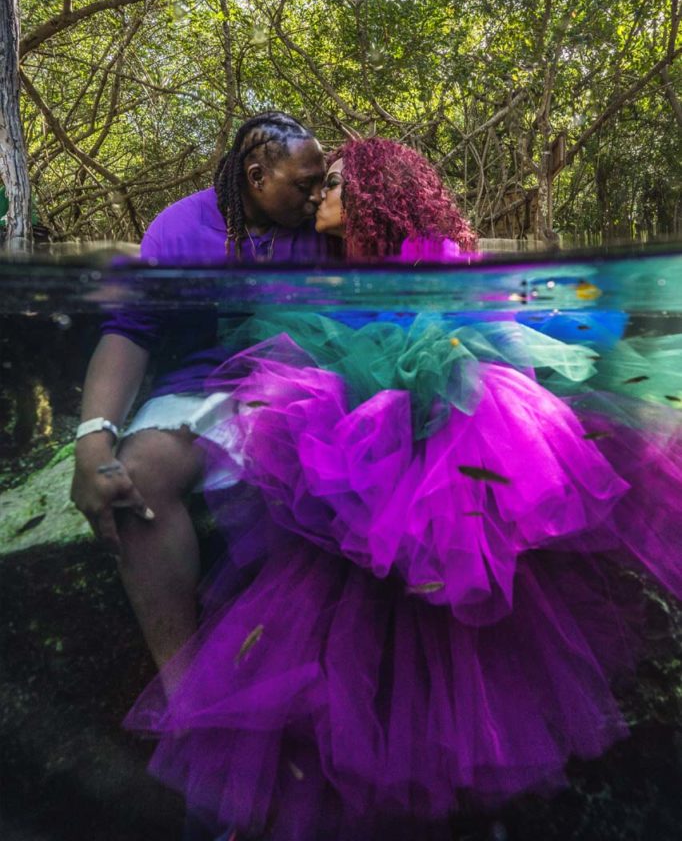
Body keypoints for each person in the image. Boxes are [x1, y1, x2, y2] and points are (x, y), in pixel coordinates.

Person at [127, 139, 682, 840]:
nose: (317, 200)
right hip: (379, 463)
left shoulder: (429, 261)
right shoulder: (333, 267)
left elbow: (491, 337)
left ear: (371, 196)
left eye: (332, 187)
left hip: (437, 450)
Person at [71, 112, 327, 675]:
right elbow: (130, 332)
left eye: (322, 182)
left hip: (303, 386)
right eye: (303, 185)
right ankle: (183, 690)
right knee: (138, 478)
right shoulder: (178, 228)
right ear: (257, 176)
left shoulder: (326, 226)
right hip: (199, 388)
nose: (315, 198)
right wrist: (93, 440)